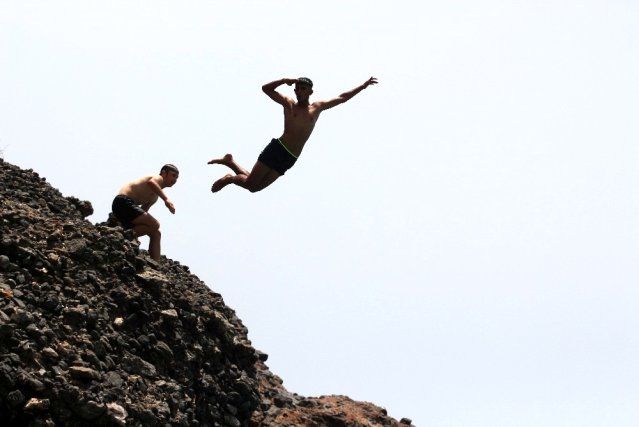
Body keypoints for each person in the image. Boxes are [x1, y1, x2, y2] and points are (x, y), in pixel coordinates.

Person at [208, 76, 378, 193]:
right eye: (297, 89)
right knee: (251, 183)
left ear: (310, 91)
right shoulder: (289, 104)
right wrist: (284, 81)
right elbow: (265, 89)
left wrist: (362, 86)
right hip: (278, 149)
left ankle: (230, 162)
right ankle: (230, 178)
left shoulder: (317, 107)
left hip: (291, 157)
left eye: (303, 89)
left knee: (253, 188)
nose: (299, 91)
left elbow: (342, 98)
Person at [111, 164, 179, 261]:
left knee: (156, 233)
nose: (175, 180)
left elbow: (143, 212)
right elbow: (151, 182)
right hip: (123, 202)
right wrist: (166, 200)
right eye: (173, 175)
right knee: (155, 224)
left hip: (128, 210)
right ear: (164, 173)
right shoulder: (157, 178)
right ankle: (123, 238)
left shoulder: (154, 197)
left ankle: (156, 265)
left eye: (177, 177)